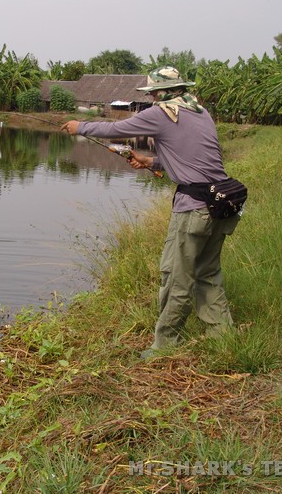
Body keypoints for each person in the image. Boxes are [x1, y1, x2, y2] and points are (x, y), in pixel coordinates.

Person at [61, 66, 240, 359]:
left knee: (176, 276)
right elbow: (193, 161)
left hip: (194, 208)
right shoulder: (200, 112)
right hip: (222, 203)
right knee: (208, 272)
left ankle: (165, 345)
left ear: (163, 92)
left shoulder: (163, 113)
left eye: (155, 92)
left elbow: (116, 129)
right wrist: (151, 162)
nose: (154, 97)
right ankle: (222, 335)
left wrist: (79, 126)